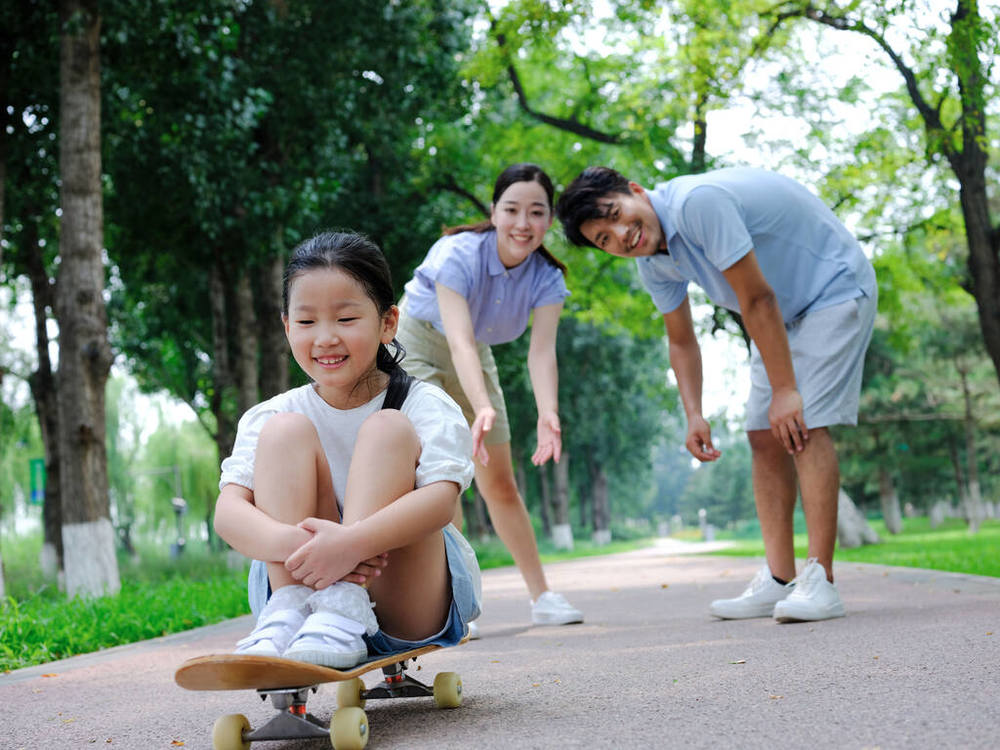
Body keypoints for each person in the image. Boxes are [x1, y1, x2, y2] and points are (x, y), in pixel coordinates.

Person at [556, 166, 876, 623]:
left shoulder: (696, 204)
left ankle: (820, 580)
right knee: (763, 435)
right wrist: (694, 413)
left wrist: (786, 390)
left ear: (636, 191)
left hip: (832, 289)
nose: (622, 235)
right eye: (604, 238)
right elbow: (682, 340)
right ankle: (779, 579)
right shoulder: (653, 261)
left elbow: (758, 300)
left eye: (617, 215)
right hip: (782, 313)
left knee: (802, 427)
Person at [213, 231, 481, 669]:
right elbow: (228, 512)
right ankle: (290, 618)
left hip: (405, 602)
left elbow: (441, 502)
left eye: (345, 319)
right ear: (286, 326)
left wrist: (350, 544)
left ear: (388, 323)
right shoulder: (271, 415)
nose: (325, 338)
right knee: (283, 433)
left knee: (388, 429)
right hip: (299, 590)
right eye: (305, 322)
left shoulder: (423, 405)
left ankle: (344, 613)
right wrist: (307, 546)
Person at [396, 163, 583, 632]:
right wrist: (478, 407)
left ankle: (542, 596)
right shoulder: (457, 254)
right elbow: (456, 341)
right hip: (416, 343)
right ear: (495, 212)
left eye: (537, 212)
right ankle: (455, 604)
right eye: (512, 209)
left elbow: (541, 355)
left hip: (473, 352)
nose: (523, 223)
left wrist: (548, 413)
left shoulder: (546, 279)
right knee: (443, 470)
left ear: (550, 220)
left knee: (499, 480)